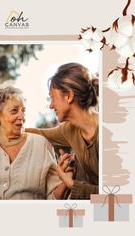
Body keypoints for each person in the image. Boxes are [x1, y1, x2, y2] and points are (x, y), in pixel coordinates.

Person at [0, 82, 73, 200]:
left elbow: (53, 197)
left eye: (23, 111)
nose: (22, 117)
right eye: (14, 110)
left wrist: (66, 182)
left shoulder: (41, 145)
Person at [26, 62, 99, 199]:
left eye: (53, 98)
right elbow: (40, 134)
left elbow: (119, 195)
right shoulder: (69, 130)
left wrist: (71, 183)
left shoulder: (110, 134)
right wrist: (2, 130)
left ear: (69, 96)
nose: (51, 105)